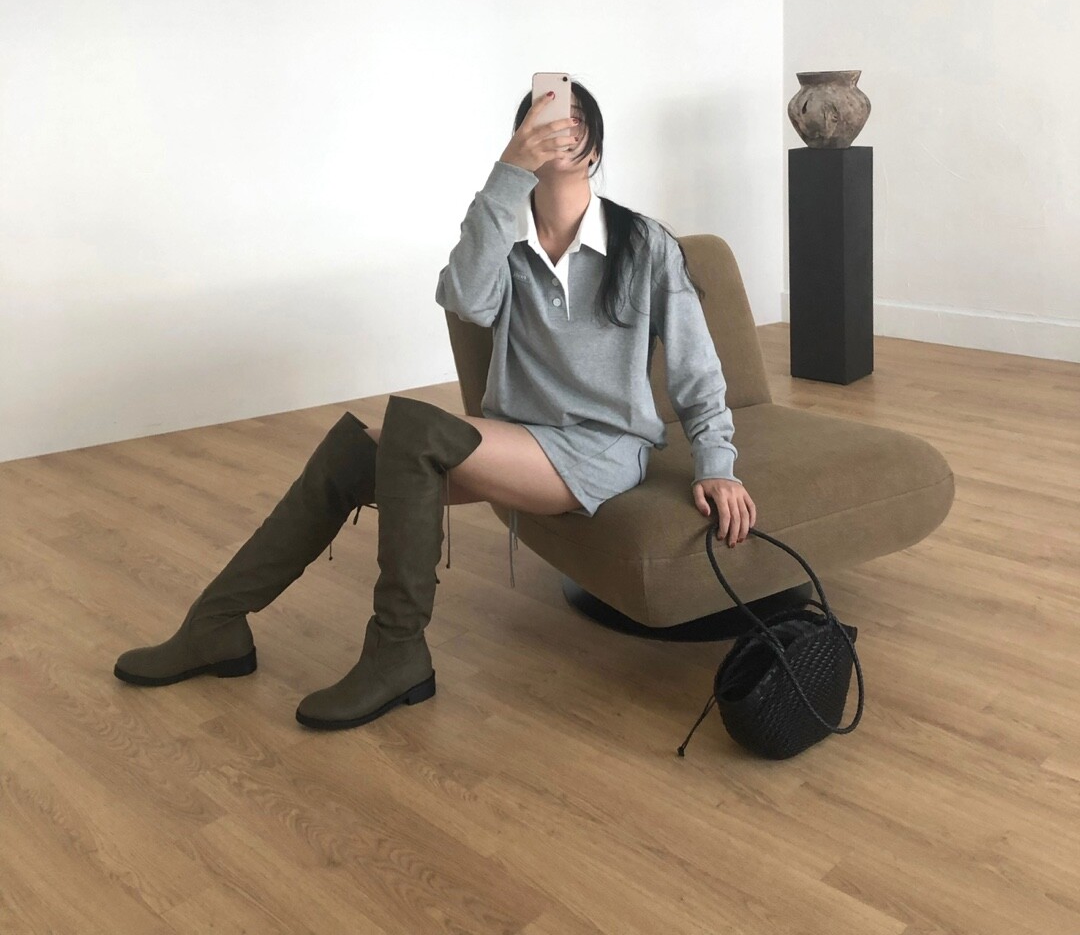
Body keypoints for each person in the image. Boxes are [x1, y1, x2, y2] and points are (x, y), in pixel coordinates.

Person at [113, 79, 755, 733]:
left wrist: (718, 466)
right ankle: (216, 625)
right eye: (543, 120)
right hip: (518, 438)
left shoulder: (645, 245)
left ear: (595, 148)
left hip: (601, 450)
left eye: (576, 121)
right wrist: (508, 174)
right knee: (351, 450)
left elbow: (698, 371)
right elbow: (464, 299)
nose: (562, 128)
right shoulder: (506, 241)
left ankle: (398, 651)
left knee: (414, 429)